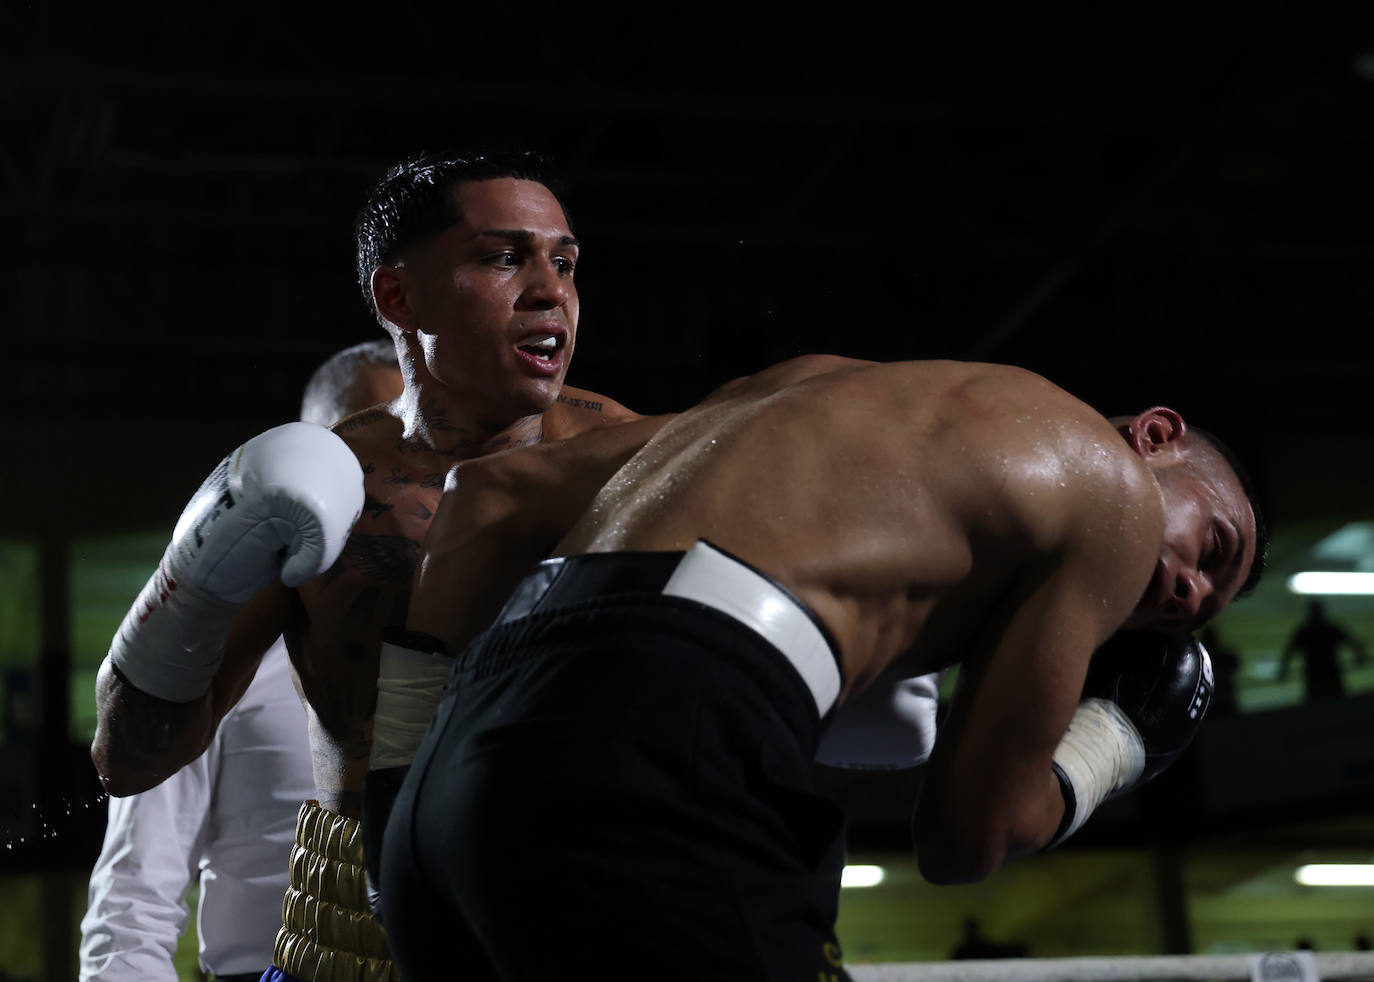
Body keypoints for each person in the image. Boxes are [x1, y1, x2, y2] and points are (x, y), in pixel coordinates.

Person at [379, 354, 1266, 981]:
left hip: (452, 781)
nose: (1189, 593)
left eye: (1206, 600)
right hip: (653, 745)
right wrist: (1110, 743)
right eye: (1211, 549)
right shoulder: (1112, 496)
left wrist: (392, 792)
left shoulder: (810, 389)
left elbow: (487, 496)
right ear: (1155, 436)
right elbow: (968, 833)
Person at [87, 150, 645, 982]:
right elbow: (131, 759)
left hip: (585, 925)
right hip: (360, 941)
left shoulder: (646, 463)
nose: (549, 289)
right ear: (399, 297)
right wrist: (190, 579)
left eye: (563, 261)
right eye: (503, 257)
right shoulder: (335, 490)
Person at [78, 340, 402, 982]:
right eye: (364, 456)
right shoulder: (216, 649)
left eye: (413, 454)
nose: (397, 481)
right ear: (310, 460)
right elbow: (134, 894)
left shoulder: (474, 633)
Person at [1278, 598, 1368, 701]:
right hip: (1332, 674)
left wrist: (1283, 670)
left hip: (1313, 675)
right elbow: (1355, 644)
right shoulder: (1332, 628)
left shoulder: (1304, 631)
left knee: (1317, 706)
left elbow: (1289, 652)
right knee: (1337, 704)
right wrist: (1360, 658)